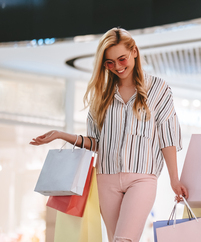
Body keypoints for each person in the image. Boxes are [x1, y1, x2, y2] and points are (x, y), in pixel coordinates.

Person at [30, 27, 188, 242]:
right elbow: (96, 142)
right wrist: (61, 135)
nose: (117, 67)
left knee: (123, 239)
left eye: (121, 59)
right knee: (116, 238)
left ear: (134, 51)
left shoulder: (158, 89)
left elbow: (167, 137)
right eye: (110, 62)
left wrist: (174, 179)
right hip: (106, 179)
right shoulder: (101, 95)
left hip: (142, 177)